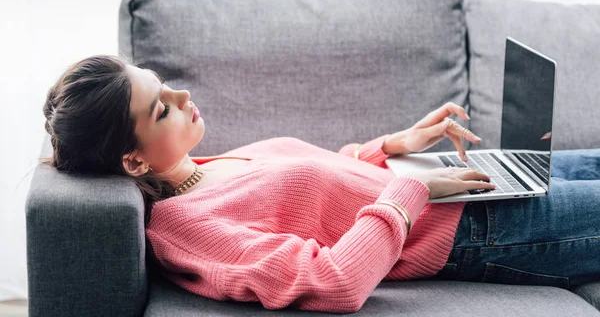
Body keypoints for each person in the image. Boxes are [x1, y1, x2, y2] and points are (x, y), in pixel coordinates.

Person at [41, 55, 600, 313]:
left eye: (164, 84)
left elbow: (326, 188)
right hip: (480, 231)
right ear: (134, 163)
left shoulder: (206, 167)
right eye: (161, 110)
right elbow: (334, 282)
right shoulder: (186, 229)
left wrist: (395, 147)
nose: (183, 98)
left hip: (456, 189)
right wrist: (415, 192)